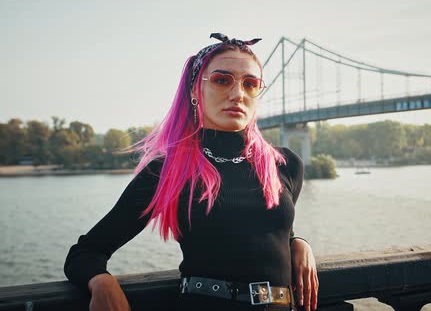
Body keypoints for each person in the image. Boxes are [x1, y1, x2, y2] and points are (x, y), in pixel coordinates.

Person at [63, 33, 319, 311]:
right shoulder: (167, 170)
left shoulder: (285, 164)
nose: (238, 94)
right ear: (195, 91)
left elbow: (269, 231)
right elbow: (86, 253)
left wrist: (298, 242)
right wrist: (101, 282)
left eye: (250, 84)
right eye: (222, 80)